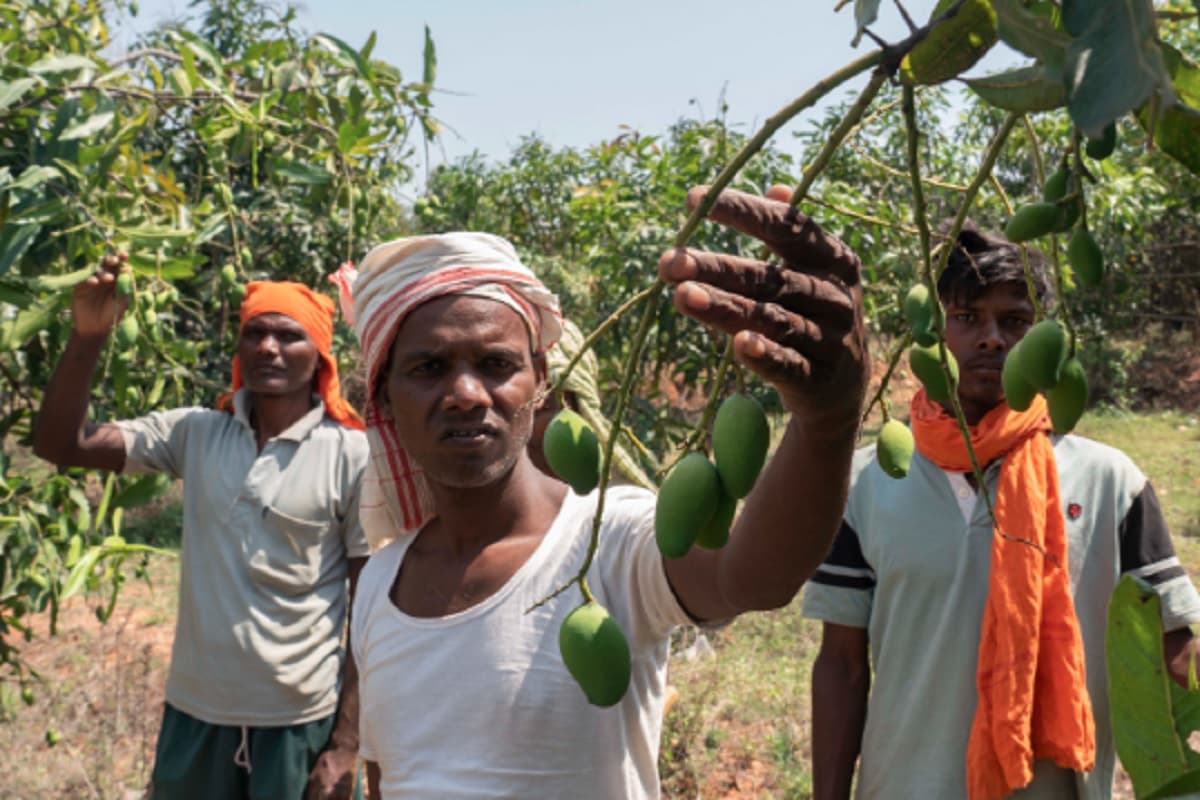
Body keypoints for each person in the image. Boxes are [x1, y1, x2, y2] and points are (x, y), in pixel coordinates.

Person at [340, 184, 868, 799]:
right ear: (382, 399)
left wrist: (826, 421)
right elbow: (386, 779)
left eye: (495, 364)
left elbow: (751, 577)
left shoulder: (608, 539)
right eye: (428, 368)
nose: (465, 393)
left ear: (540, 380)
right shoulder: (380, 580)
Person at [802, 223, 1200, 800]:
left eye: (1014, 321)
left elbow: (1176, 654)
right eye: (967, 317)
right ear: (931, 331)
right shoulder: (868, 479)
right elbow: (840, 665)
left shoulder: (1111, 482)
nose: (992, 339)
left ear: (1042, 336)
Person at [33, 254, 370, 800]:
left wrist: (346, 743)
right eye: (254, 333)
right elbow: (60, 444)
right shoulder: (196, 433)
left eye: (289, 336)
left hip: (297, 719)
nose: (268, 347)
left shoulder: (351, 455)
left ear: (320, 354)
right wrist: (88, 337)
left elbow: (370, 602)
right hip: (196, 711)